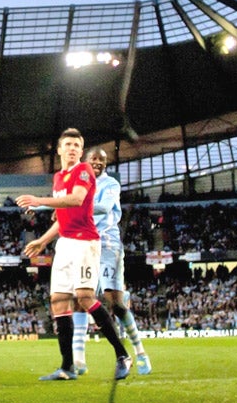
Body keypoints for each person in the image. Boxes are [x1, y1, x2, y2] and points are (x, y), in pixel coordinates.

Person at [19, 128, 132, 381]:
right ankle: (67, 367)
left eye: (76, 146)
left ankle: (122, 355)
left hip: (85, 243)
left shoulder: (84, 171)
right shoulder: (59, 178)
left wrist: (39, 200)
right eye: (67, 144)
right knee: (59, 301)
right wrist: (42, 240)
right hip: (65, 244)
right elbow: (62, 217)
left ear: (81, 152)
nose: (72, 149)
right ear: (59, 149)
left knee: (84, 297)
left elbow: (77, 200)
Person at [71, 146, 151, 377]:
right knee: (81, 299)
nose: (97, 162)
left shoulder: (110, 184)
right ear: (85, 161)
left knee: (114, 304)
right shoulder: (78, 184)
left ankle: (140, 352)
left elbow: (104, 208)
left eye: (101, 160)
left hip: (107, 246)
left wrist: (72, 206)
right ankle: (79, 360)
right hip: (85, 245)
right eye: (93, 159)